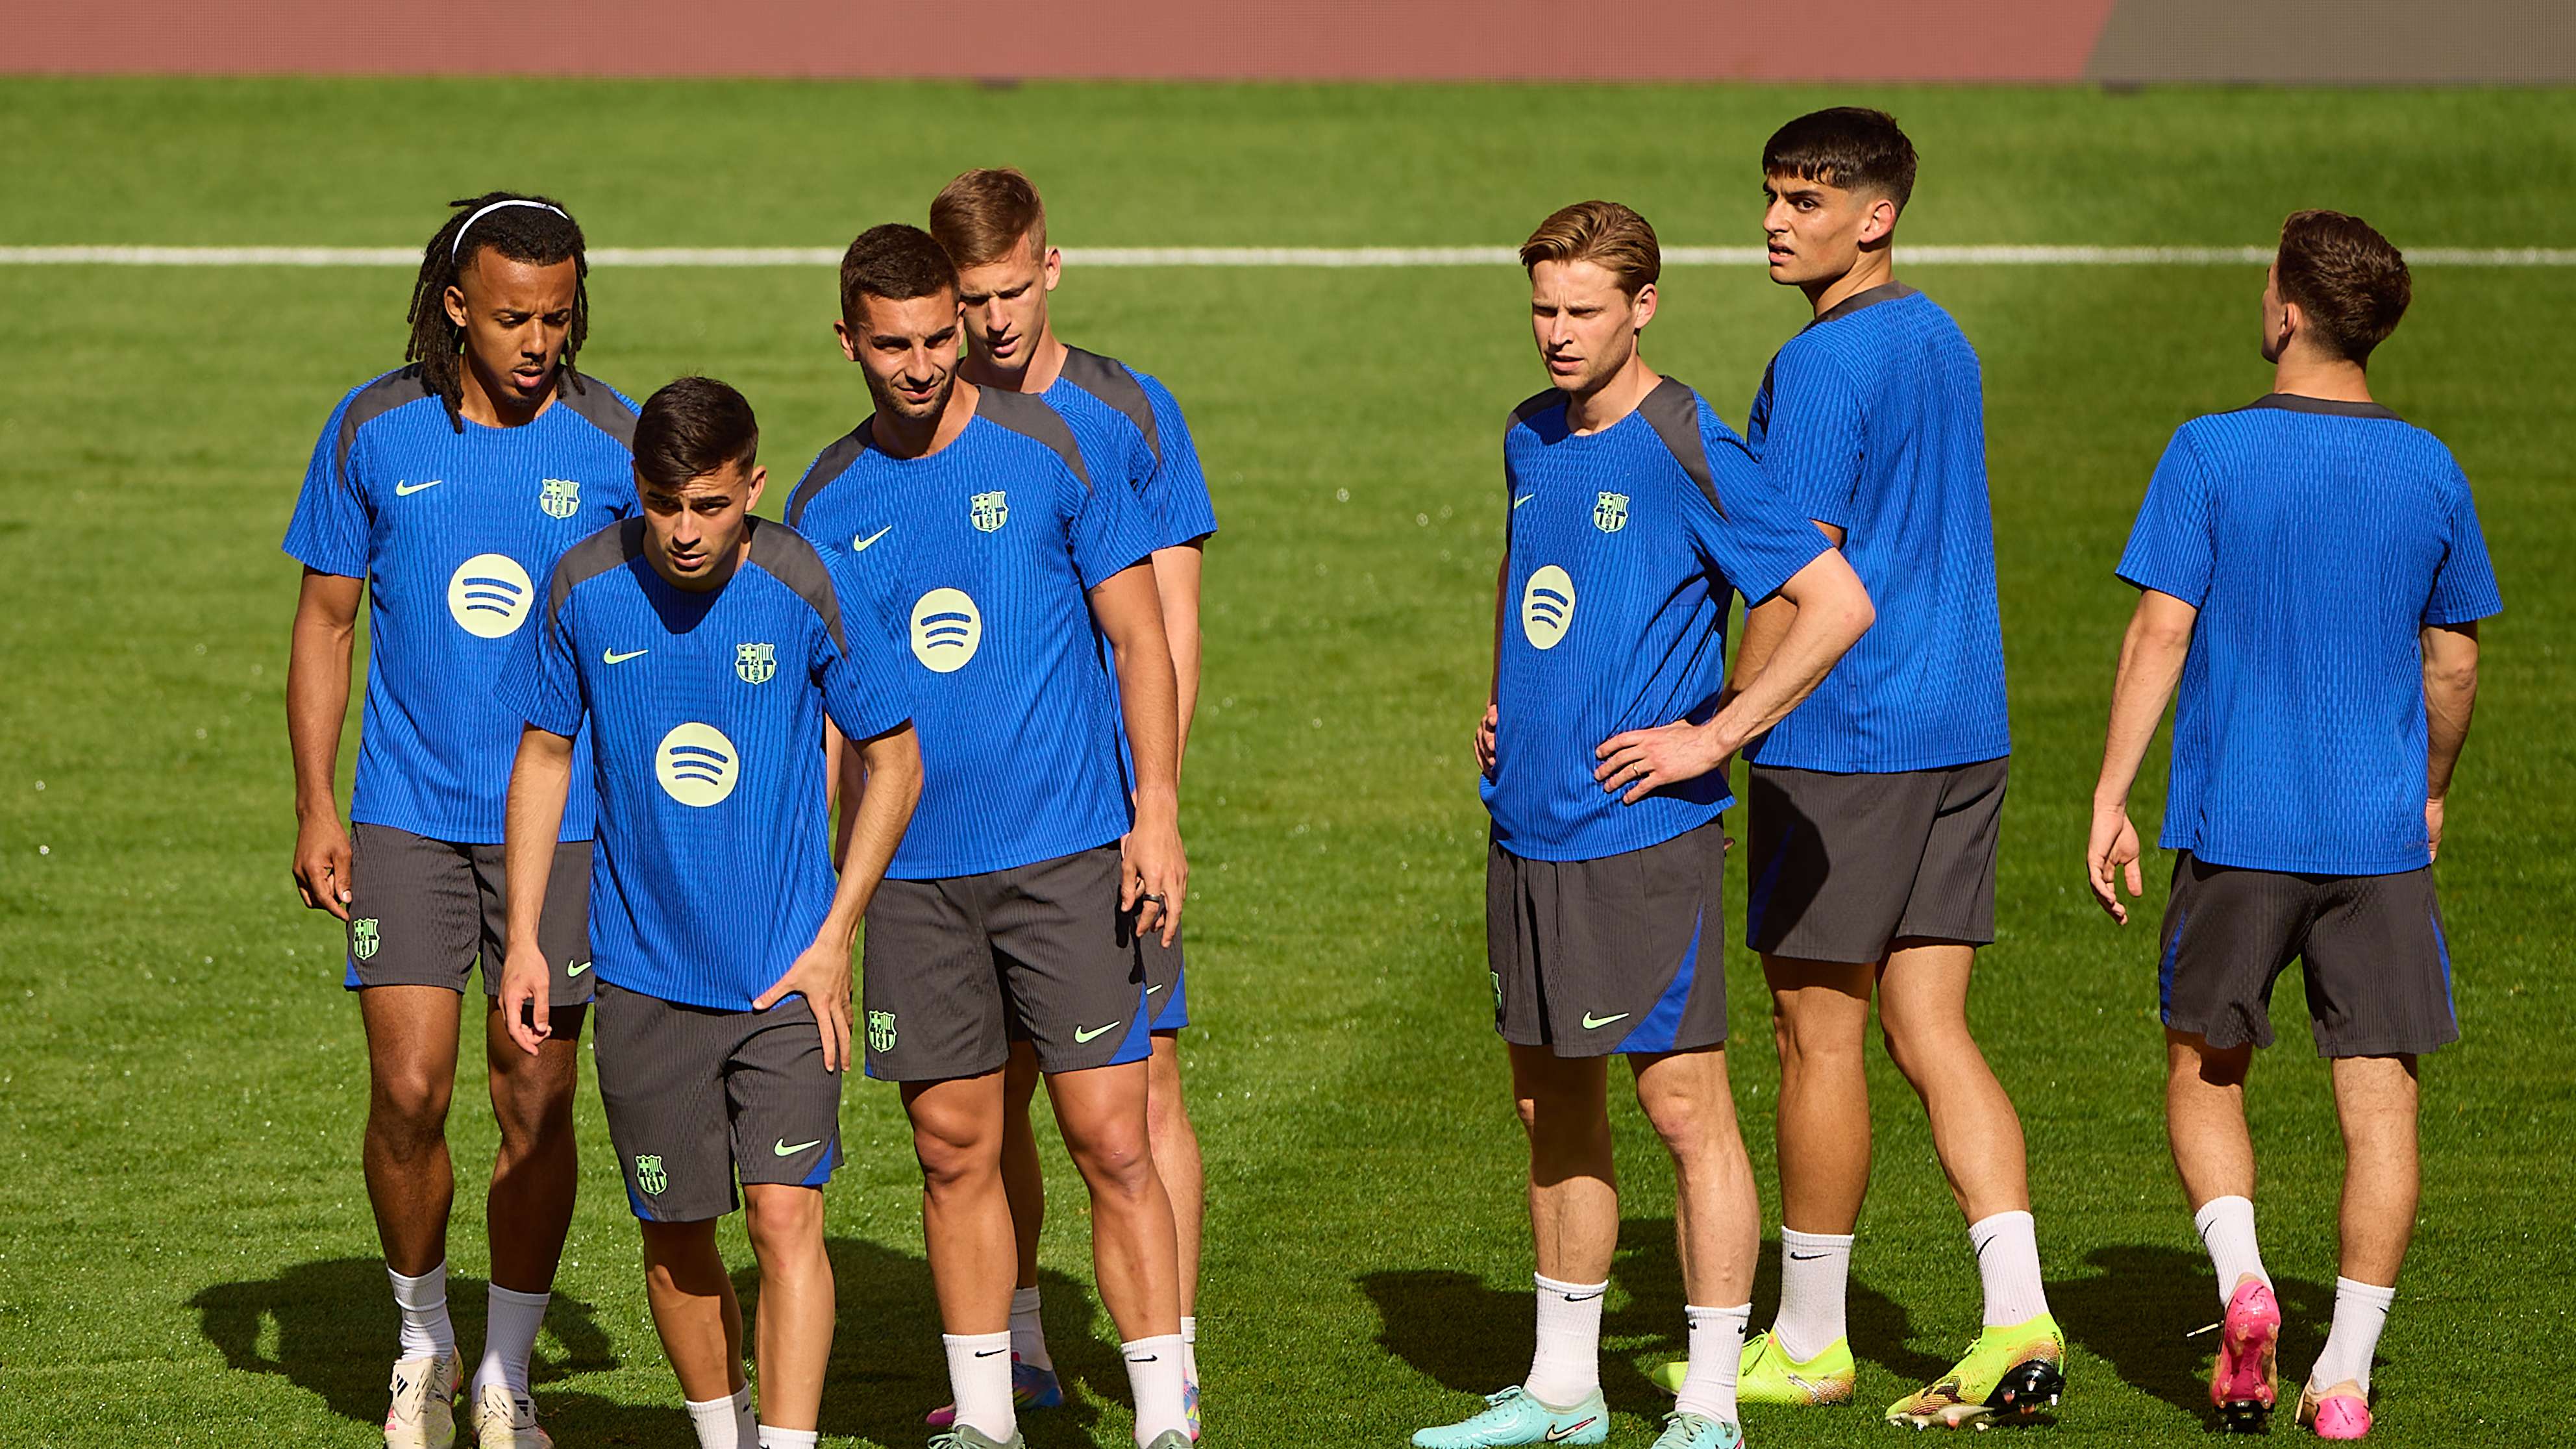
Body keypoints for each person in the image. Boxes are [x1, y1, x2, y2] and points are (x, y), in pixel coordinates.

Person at [1415, 200, 1873, 1449]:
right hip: (1528, 827)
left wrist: (1716, 735)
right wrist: (1507, 699)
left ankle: (1712, 1404)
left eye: (1582, 311)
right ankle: (1565, 1390)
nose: (1557, 334)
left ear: (1644, 307)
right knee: (1549, 1107)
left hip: (1641, 838)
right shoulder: (1529, 433)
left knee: (1682, 1110)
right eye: (1543, 310)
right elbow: (1527, 573)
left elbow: (1834, 602)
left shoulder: (1688, 441)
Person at [2087, 210, 2497, 1442]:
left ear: (2291, 311)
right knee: (2382, 1108)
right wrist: (2429, 789)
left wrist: (2111, 793)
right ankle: (2347, 1375)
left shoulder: (2208, 450)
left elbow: (2162, 629)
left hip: (2238, 832)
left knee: (2205, 1070)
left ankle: (2243, 1281)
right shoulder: (2430, 467)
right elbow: (2453, 663)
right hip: (2379, 842)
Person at [786, 222, 1194, 1449]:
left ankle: (1165, 1417)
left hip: (1066, 855)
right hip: (913, 879)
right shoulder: (824, 500)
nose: (920, 366)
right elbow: (824, 725)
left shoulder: (1058, 448)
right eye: (893, 346)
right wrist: (824, 909)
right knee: (952, 1146)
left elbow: (1141, 640)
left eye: (937, 339)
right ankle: (985, 1417)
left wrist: (1156, 811)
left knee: (1111, 1137)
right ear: (849, 341)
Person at [1698, 107, 2062, 1430]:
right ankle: (2018, 1317)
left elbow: (1801, 575)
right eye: (1771, 195)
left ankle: (1808, 1340)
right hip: (1963, 724)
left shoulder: (1821, 368)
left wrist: (1720, 724)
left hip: (1846, 739)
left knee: (1817, 1035)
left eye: (1804, 200)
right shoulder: (1940, 335)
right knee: (1931, 1028)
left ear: (1877, 215)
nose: (1772, 222)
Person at [495, 376, 922, 1449]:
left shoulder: (802, 581)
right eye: (664, 505)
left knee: (784, 1214)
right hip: (643, 981)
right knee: (676, 1233)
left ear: (753, 489)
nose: (685, 531)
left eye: (710, 506)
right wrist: (527, 941)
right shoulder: (584, 585)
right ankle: (724, 1432)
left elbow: (896, 758)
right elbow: (543, 755)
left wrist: (836, 936)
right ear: (636, 489)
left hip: (785, 976)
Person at [281, 192, 635, 1449]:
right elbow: (327, 623)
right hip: (408, 815)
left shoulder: (615, 442)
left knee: (535, 1098)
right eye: (511, 318)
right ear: (454, 306)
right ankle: (422, 1339)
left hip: (565, 828)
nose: (538, 342)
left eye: (557, 317)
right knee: (409, 1091)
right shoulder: (374, 429)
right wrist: (317, 804)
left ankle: (506, 1374)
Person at [919, 165, 1219, 1435]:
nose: (993, 321)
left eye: (1011, 290)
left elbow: (1171, 630)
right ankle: (1025, 1349)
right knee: (991, 1100)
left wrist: (1154, 805)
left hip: (1102, 826)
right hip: (972, 838)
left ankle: (1172, 1361)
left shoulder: (1126, 414)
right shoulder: (926, 421)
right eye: (970, 298)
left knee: (1138, 1096)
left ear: (1052, 267)